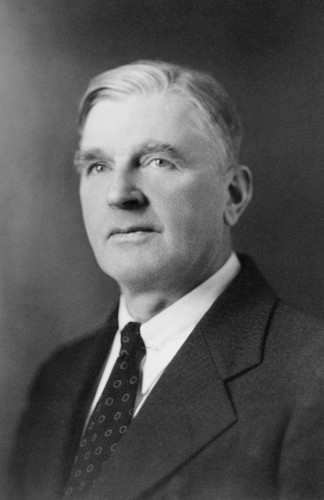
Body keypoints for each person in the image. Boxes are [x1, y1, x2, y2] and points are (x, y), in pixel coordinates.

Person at [10, 60, 324, 500]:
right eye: (98, 166)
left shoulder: (312, 379)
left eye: (158, 161)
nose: (120, 194)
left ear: (233, 194)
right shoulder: (58, 379)